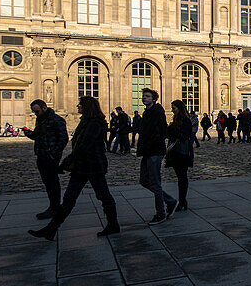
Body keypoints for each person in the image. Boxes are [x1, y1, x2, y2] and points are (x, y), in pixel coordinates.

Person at [29, 96, 119, 240]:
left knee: (103, 196)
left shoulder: (94, 123)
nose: (77, 106)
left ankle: (113, 225)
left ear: (87, 107)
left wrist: (66, 162)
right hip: (82, 166)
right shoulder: (86, 121)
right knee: (69, 199)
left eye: (80, 105)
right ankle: (51, 229)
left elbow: (84, 145)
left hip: (93, 165)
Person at [22, 99, 68, 220]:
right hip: (41, 154)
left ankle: (55, 207)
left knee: (52, 182)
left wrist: (54, 153)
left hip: (50, 156)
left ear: (44, 108)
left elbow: (63, 139)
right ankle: (53, 206)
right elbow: (37, 136)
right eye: (34, 112)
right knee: (47, 182)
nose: (36, 114)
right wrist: (29, 134)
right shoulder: (40, 120)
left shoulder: (57, 120)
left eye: (37, 111)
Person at [136, 88, 176, 225]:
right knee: (144, 180)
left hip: (155, 152)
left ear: (154, 99)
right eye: (143, 96)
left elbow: (160, 132)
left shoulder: (157, 112)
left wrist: (151, 144)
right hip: (147, 151)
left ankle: (161, 214)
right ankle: (170, 201)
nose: (144, 98)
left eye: (147, 96)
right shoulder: (147, 112)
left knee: (154, 183)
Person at [166, 100, 195, 214]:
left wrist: (172, 131)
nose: (172, 110)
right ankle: (183, 200)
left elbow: (184, 135)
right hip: (176, 151)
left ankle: (182, 201)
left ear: (179, 108)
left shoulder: (186, 120)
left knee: (182, 177)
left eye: (174, 108)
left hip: (182, 151)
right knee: (180, 176)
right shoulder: (176, 119)